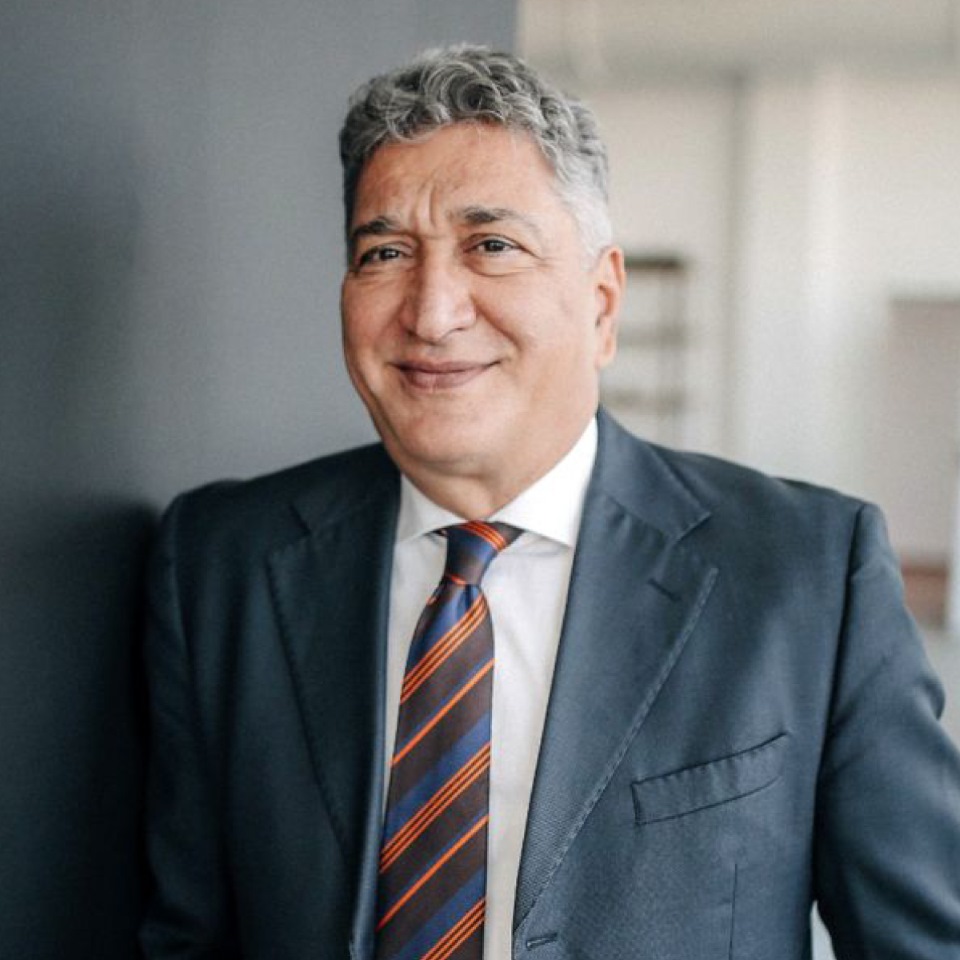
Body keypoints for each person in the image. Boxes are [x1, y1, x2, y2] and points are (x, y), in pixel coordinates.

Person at [141, 45, 960, 960]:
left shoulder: (808, 574)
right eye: (386, 253)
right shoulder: (221, 565)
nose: (432, 311)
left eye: (491, 246)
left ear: (602, 303)